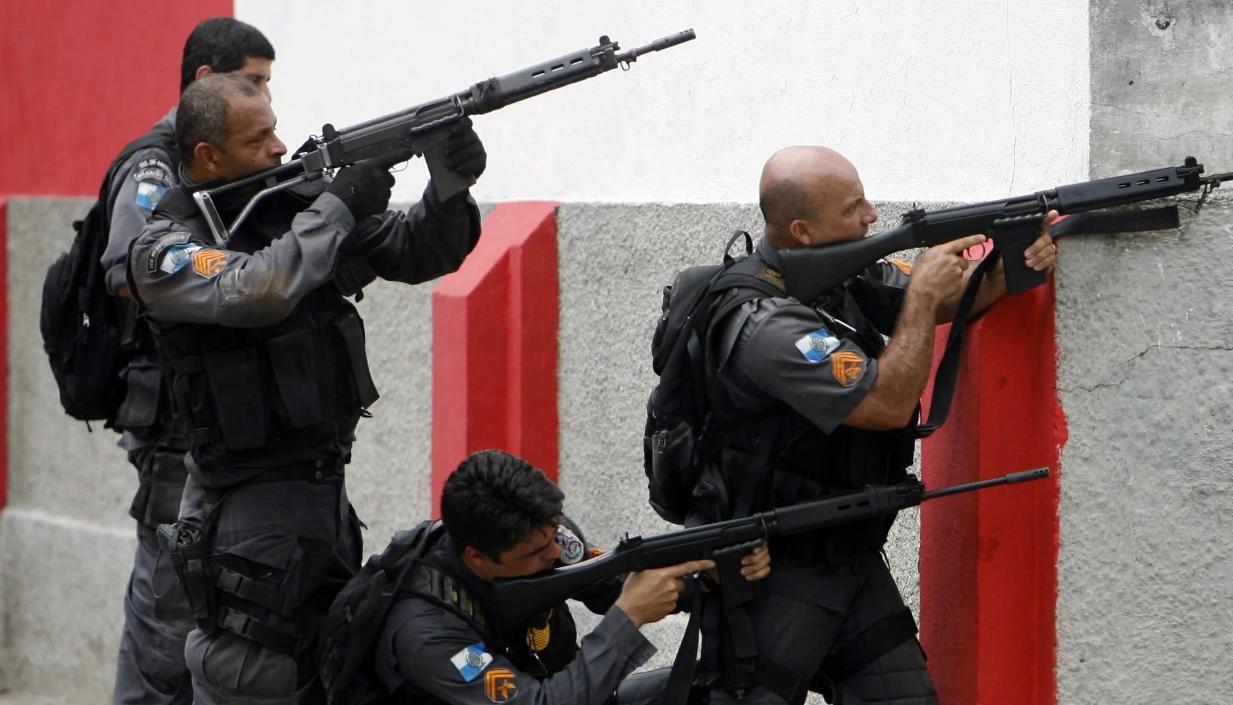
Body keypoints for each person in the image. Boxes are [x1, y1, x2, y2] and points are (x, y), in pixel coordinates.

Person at [125, 71, 488, 704]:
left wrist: (448, 190)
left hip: (323, 496)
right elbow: (255, 289)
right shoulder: (166, 245)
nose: (277, 147)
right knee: (253, 678)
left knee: (332, 671)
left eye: (275, 129)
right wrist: (338, 202)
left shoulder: (287, 210)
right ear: (208, 156)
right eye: (257, 138)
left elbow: (413, 250)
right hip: (245, 511)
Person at [691, 146, 1058, 705]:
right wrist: (922, 299)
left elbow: (948, 296)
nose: (872, 214)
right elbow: (885, 402)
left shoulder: (841, 273)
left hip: (854, 558)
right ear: (803, 231)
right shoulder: (764, 325)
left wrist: (1015, 261)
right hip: (779, 576)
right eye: (852, 206)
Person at [99, 17, 275, 705]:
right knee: (164, 619)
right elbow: (130, 267)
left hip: (216, 418)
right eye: (252, 82)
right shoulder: (155, 161)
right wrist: (243, 276)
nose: (263, 96)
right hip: (171, 419)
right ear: (207, 79)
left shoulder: (227, 156)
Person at [374, 449, 771, 705]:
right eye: (534, 552)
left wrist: (707, 573)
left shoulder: (541, 532)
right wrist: (627, 620)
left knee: (730, 690)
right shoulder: (426, 632)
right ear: (477, 557)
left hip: (573, 693)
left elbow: (616, 582)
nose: (555, 553)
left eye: (553, 534)